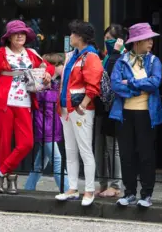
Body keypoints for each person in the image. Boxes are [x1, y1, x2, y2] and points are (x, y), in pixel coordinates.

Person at [0, 20, 54, 194]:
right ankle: (9, 180)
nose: (20, 35)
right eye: (16, 33)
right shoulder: (0, 54)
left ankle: (0, 172)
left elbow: (47, 66)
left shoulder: (32, 54)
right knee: (4, 143)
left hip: (25, 102)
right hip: (4, 103)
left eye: (23, 33)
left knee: (26, 143)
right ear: (9, 37)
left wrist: (48, 73)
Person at [109, 22, 162, 208]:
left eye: (151, 39)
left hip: (147, 114)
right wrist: (138, 87)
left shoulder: (154, 61)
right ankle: (130, 192)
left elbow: (155, 83)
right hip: (124, 113)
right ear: (136, 42)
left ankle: (146, 194)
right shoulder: (121, 60)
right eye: (147, 39)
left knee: (146, 155)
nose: (151, 42)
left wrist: (131, 82)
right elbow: (116, 84)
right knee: (127, 155)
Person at [55, 20, 103, 206]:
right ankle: (73, 188)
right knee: (71, 150)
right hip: (68, 108)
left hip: (79, 109)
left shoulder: (90, 56)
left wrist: (83, 104)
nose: (70, 37)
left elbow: (94, 85)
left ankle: (89, 190)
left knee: (84, 150)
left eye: (73, 34)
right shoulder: (74, 55)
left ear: (80, 37)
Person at [25, 53, 69, 192]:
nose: (64, 67)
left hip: (49, 127)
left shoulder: (55, 84)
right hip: (45, 127)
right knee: (57, 160)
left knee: (40, 162)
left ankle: (28, 189)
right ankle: (67, 190)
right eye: (62, 65)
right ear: (54, 66)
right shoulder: (43, 84)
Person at [94, 24, 125, 198]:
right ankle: (103, 182)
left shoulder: (122, 56)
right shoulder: (105, 57)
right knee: (100, 146)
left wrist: (116, 52)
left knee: (113, 147)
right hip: (101, 106)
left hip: (115, 107)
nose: (107, 42)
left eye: (110, 39)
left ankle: (115, 184)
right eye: (105, 39)